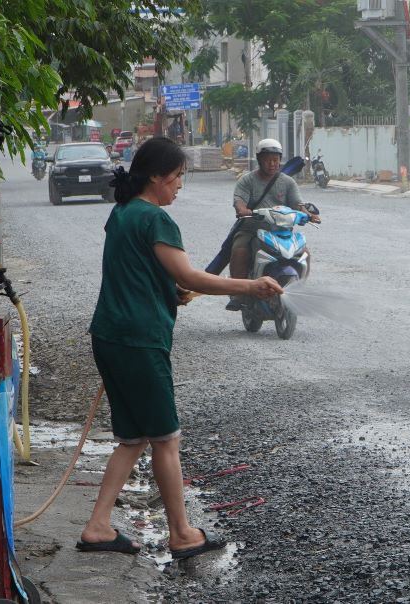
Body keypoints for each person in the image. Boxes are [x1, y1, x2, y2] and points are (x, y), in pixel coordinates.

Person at [77, 137, 283, 558]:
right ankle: (182, 534)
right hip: (140, 340)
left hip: (110, 335)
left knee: (133, 438)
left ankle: (98, 526)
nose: (180, 185)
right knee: (166, 439)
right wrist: (251, 286)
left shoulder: (121, 213)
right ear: (156, 176)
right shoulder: (156, 219)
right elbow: (190, 276)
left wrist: (168, 290)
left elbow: (138, 269)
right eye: (176, 177)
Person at [226, 137, 320, 311]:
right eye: (268, 160)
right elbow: (239, 201)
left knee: (305, 253)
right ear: (259, 160)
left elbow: (298, 205)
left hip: (282, 232)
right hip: (252, 229)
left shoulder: (288, 182)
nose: (272, 164)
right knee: (239, 249)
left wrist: (309, 215)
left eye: (275, 160)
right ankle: (238, 294)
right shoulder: (247, 180)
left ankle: (299, 290)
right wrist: (242, 209)